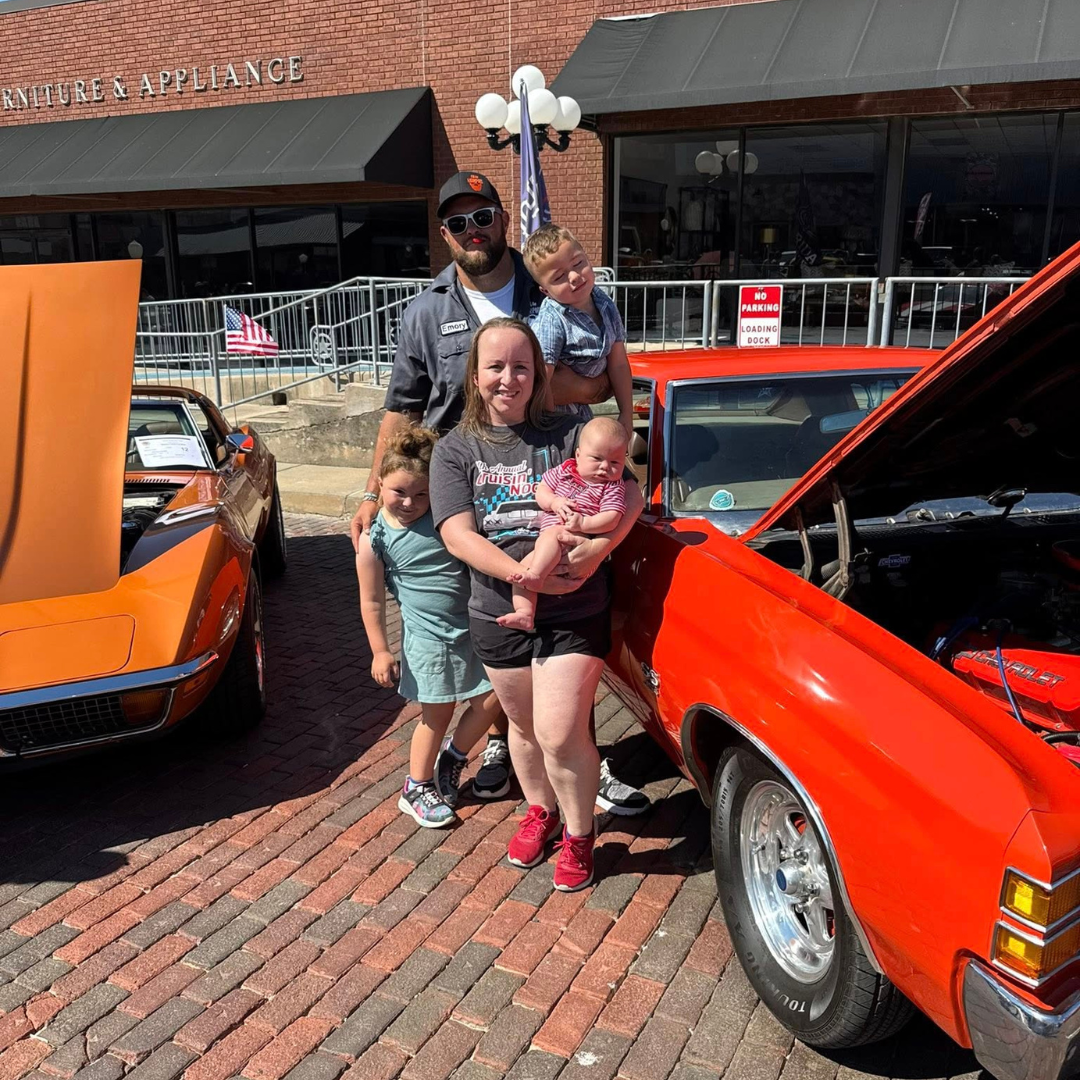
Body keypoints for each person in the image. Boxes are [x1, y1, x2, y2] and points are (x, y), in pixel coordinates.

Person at [349, 171, 646, 815]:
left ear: (502, 219)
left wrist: (592, 409)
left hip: (547, 473)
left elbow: (594, 378)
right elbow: (402, 407)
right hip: (456, 488)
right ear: (445, 235)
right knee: (480, 623)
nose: (471, 231)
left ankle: (574, 759)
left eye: (481, 216)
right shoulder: (426, 310)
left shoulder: (550, 295)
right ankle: (497, 745)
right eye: (456, 223)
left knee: (566, 614)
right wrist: (373, 491)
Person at [430, 318, 644, 891]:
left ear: (539, 372)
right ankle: (540, 811)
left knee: (558, 729)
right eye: (495, 366)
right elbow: (457, 535)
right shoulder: (456, 448)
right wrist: (525, 576)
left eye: (521, 365)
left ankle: (578, 835)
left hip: (575, 610)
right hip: (498, 609)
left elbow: (633, 488)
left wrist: (599, 551)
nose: (509, 378)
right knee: (522, 728)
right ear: (475, 377)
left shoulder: (571, 430)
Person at [355, 426, 501, 827]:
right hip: (427, 639)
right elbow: (370, 599)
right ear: (380, 482)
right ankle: (416, 786)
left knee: (495, 697)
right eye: (399, 491)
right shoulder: (374, 537)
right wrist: (380, 650)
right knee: (436, 715)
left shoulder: (444, 514)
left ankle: (453, 757)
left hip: (471, 626)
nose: (409, 502)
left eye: (421, 494)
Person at [499, 416, 628, 632]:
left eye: (615, 462)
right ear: (578, 455)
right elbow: (542, 491)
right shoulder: (565, 470)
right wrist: (554, 502)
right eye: (596, 458)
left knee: (552, 538)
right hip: (549, 544)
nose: (605, 467)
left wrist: (583, 524)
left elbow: (612, 517)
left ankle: (537, 577)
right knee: (521, 572)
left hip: (575, 541)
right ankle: (525, 613)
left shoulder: (613, 487)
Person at [523, 223, 634, 438]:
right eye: (559, 277)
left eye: (578, 263)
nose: (574, 277)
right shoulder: (552, 319)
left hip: (583, 412)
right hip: (555, 417)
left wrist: (626, 414)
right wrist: (550, 428)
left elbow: (619, 363)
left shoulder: (605, 304)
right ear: (546, 291)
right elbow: (541, 380)